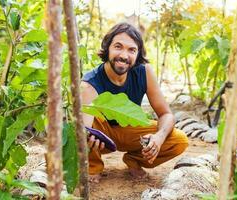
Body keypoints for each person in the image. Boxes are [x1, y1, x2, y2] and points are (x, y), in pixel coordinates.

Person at [81, 22, 188, 183]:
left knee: (179, 140)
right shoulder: (89, 83)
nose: (124, 55)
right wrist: (88, 138)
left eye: (132, 50)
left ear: (138, 55)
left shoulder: (144, 72)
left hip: (131, 130)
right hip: (102, 135)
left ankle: (134, 160)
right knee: (89, 125)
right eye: (118, 46)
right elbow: (84, 132)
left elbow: (166, 114)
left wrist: (158, 137)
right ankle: (93, 167)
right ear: (107, 48)